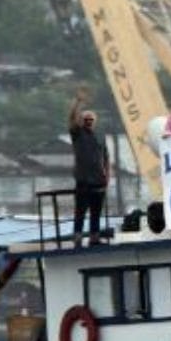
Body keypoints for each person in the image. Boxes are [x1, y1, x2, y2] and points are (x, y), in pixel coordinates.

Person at [69, 87, 111, 245]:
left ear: (95, 121)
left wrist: (108, 176)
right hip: (83, 180)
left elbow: (106, 157)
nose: (88, 122)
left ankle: (95, 237)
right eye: (85, 119)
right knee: (80, 211)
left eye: (91, 119)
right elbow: (72, 118)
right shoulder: (78, 133)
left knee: (96, 211)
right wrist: (78, 102)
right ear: (82, 121)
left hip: (98, 180)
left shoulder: (100, 136)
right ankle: (78, 238)